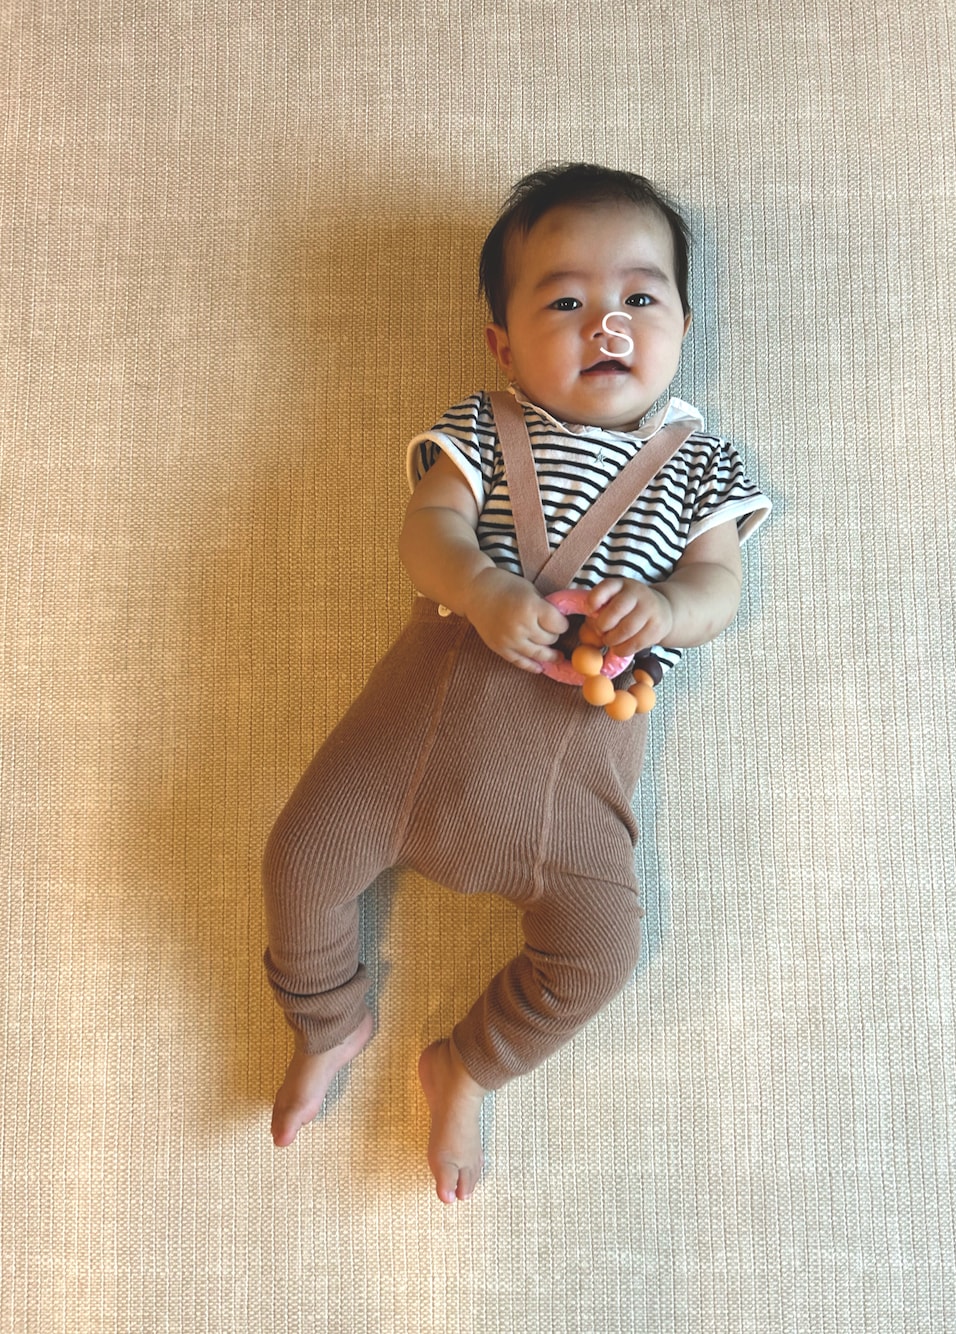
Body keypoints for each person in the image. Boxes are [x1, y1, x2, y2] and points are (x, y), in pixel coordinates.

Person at [262, 163, 770, 1204]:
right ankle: (328, 1019)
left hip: (571, 790)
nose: (608, 326)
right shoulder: (486, 427)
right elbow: (427, 531)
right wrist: (484, 589)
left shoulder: (701, 465)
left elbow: (720, 585)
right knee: (299, 861)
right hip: (404, 747)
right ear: (503, 343)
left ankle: (467, 1064)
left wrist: (667, 609)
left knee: (601, 953)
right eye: (566, 302)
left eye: (641, 298)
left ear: (682, 323)